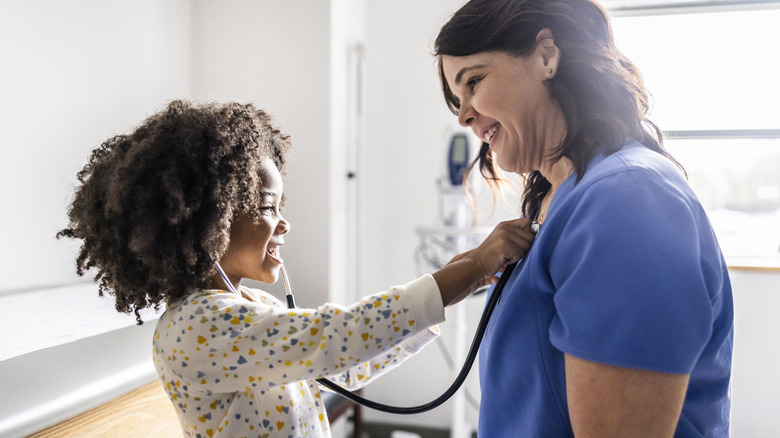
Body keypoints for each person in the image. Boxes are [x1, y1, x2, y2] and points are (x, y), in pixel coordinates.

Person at [58, 100, 535, 437]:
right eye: (267, 206)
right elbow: (335, 335)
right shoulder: (194, 327)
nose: (283, 222)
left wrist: (448, 290)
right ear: (209, 216)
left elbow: (338, 367)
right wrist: (468, 267)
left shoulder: (252, 306)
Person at [434, 0, 733, 436]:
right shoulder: (566, 199)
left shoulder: (625, 200)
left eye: (474, 82)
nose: (463, 115)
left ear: (546, 56)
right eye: (456, 99)